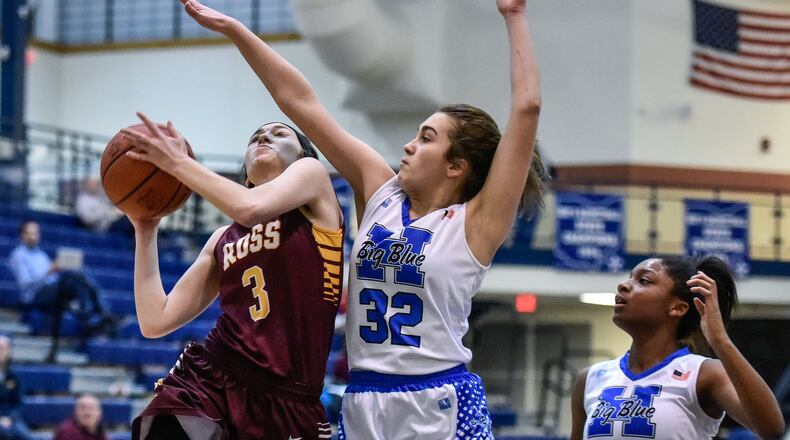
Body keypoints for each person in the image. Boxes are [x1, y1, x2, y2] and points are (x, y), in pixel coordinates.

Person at [180, 0, 546, 437]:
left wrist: (514, 17)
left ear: (456, 166)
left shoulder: (476, 223)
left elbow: (526, 108)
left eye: (426, 138)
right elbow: (301, 103)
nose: (409, 146)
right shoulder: (381, 192)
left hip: (437, 399)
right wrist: (236, 30)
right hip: (363, 398)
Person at [119, 113, 344, 439]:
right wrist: (146, 227)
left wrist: (178, 162)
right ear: (247, 179)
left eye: (279, 134)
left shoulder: (313, 180)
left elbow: (248, 208)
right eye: (255, 137)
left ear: (302, 159)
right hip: (214, 377)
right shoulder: (223, 237)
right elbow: (156, 320)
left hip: (288, 397)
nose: (264, 138)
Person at [569, 256, 785, 440]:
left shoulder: (704, 373)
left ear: (677, 308)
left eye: (643, 281)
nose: (623, 285)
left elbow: (771, 429)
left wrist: (720, 340)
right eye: (629, 277)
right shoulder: (591, 378)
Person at [7, 221, 115, 363]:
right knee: (73, 278)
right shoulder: (18, 255)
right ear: (22, 235)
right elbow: (26, 283)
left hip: (51, 290)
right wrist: (49, 270)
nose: (33, 236)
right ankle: (94, 314)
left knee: (78, 273)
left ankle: (92, 313)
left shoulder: (41, 254)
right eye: (29, 233)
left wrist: (57, 269)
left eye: (35, 233)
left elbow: (53, 278)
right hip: (35, 295)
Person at [0, 336, 32, 440]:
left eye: (2, 348)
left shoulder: (14, 377)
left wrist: (10, 418)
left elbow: (19, 402)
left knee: (25, 435)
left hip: (9, 418)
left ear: (8, 352)